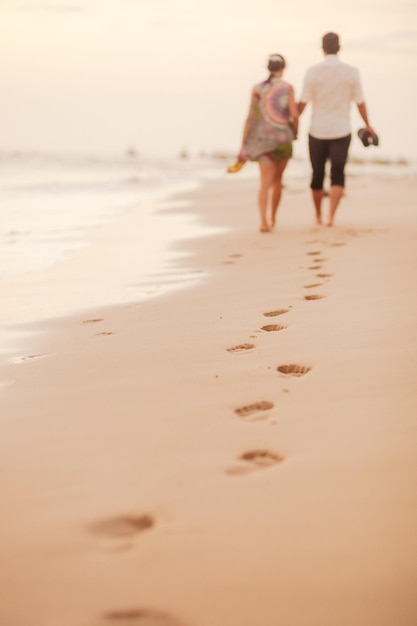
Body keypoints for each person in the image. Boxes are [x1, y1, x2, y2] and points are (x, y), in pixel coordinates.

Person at [298, 32, 377, 226]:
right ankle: (330, 217)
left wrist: (290, 122)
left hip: (317, 130)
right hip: (342, 130)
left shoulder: (312, 72)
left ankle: (318, 215)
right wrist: (368, 125)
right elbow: (360, 102)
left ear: (322, 48)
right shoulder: (351, 71)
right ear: (339, 48)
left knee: (317, 175)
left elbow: (302, 104)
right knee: (338, 174)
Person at [232, 54, 299, 233]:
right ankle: (273, 218)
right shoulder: (287, 87)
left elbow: (250, 117)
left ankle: (263, 222)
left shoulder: (257, 89)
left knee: (265, 182)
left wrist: (243, 144)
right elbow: (295, 114)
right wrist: (296, 131)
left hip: (262, 142)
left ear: (268, 68)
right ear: (283, 68)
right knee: (278, 181)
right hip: (283, 140)